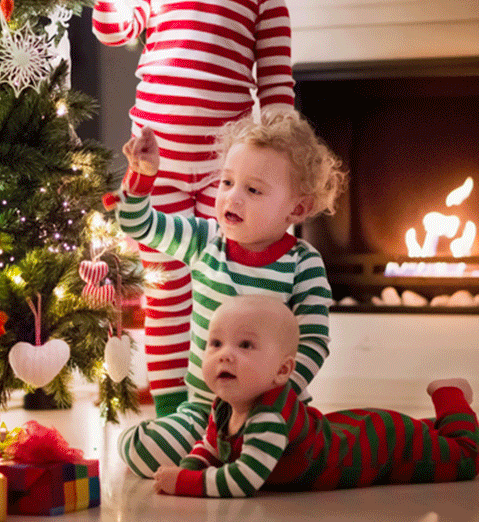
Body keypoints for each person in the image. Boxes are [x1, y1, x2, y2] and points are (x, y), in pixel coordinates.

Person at [92, 0, 293, 418]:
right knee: (167, 289)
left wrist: (284, 169)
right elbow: (111, 27)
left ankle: (225, 400)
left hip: (223, 176)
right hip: (156, 167)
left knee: (222, 287)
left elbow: (277, 90)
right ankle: (176, 407)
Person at [115, 109, 344, 478]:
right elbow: (138, 223)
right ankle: (219, 451)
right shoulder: (204, 241)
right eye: (226, 183)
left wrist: (276, 398)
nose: (232, 198)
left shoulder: (303, 264)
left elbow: (314, 341)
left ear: (296, 208)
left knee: (302, 463)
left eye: (252, 190)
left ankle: (230, 456)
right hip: (203, 409)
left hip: (271, 412)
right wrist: (142, 178)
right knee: (137, 449)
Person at [153, 295, 479, 497]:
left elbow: (243, 480)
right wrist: (190, 464)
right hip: (343, 432)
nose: (224, 355)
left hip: (372, 449)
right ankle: (461, 427)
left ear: (282, 372)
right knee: (427, 438)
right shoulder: (226, 405)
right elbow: (211, 446)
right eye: (215, 343)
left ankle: (451, 396)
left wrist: (183, 481)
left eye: (245, 345)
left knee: (463, 460)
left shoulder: (270, 417)